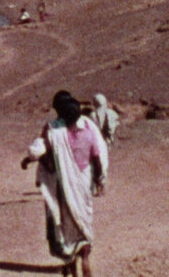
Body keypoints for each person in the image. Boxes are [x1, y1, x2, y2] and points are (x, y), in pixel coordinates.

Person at [21, 91, 108, 277]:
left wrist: (30, 160)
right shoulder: (88, 127)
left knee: (64, 226)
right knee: (83, 221)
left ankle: (71, 265)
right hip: (83, 186)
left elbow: (46, 159)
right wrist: (100, 178)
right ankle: (84, 259)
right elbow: (98, 157)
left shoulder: (53, 130)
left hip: (63, 189)